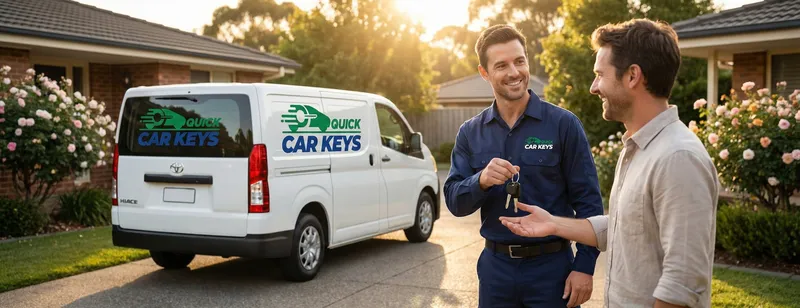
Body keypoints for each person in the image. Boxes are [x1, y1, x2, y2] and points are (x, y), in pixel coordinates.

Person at [500, 18, 720, 308]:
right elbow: (621, 226)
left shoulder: (678, 158)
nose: (594, 87)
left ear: (632, 76)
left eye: (600, 75)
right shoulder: (639, 148)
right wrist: (554, 224)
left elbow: (683, 281)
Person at [443, 24, 604, 307]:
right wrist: (480, 180)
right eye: (502, 65)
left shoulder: (564, 125)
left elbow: (589, 203)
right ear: (484, 73)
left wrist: (584, 266)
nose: (514, 72)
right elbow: (455, 202)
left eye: (519, 61)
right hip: (496, 271)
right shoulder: (470, 132)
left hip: (553, 270)